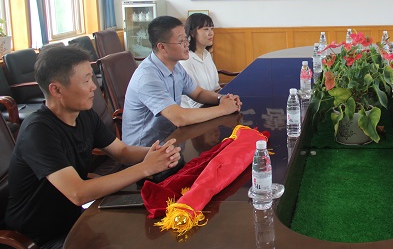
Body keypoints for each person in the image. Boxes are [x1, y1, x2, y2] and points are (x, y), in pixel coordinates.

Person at [5, 45, 182, 248]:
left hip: (75, 220)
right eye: (86, 80)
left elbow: (122, 151)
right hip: (40, 238)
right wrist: (146, 167)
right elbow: (77, 192)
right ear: (56, 89)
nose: (93, 87)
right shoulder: (38, 131)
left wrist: (159, 154)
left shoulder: (84, 115)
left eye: (91, 78)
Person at [123, 16, 241, 147]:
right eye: (181, 41)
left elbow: (198, 93)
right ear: (162, 47)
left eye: (186, 39)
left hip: (172, 140)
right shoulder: (147, 78)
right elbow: (179, 117)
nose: (187, 44)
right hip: (145, 151)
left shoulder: (176, 66)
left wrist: (222, 98)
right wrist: (223, 109)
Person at [180, 13, 225, 108]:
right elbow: (194, 103)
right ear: (192, 33)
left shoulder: (206, 54)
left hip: (212, 105)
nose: (211, 33)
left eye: (212, 28)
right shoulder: (186, 61)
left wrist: (226, 98)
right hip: (196, 111)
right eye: (206, 29)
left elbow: (216, 88)